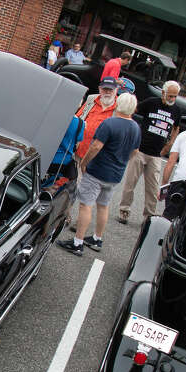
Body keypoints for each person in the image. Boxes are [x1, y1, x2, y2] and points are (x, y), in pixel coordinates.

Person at [56, 93, 140, 255]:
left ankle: (78, 242)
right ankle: (97, 238)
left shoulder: (109, 123)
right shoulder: (136, 128)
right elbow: (135, 151)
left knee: (86, 204)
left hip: (98, 170)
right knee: (103, 205)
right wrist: (123, 160)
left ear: (118, 105)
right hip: (116, 173)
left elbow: (96, 146)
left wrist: (84, 162)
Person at [117, 80, 182, 224]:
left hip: (156, 154)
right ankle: (124, 210)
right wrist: (132, 130)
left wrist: (171, 143)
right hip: (140, 149)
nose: (172, 99)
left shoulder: (176, 110)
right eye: (170, 96)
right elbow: (133, 110)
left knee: (152, 189)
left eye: (175, 97)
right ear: (163, 93)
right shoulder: (152, 102)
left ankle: (149, 218)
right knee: (130, 183)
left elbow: (176, 127)